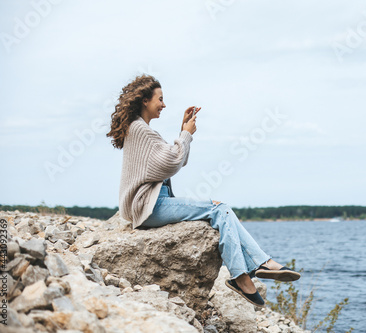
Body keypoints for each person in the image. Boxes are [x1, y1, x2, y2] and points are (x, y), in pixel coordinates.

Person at [106, 74, 300, 307]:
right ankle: (245, 274)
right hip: (150, 205)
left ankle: (261, 264)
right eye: (160, 99)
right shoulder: (139, 129)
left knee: (220, 210)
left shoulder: (140, 129)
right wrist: (186, 134)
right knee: (220, 209)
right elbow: (171, 162)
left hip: (152, 203)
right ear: (145, 100)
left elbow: (172, 160)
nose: (164, 104)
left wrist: (183, 132)